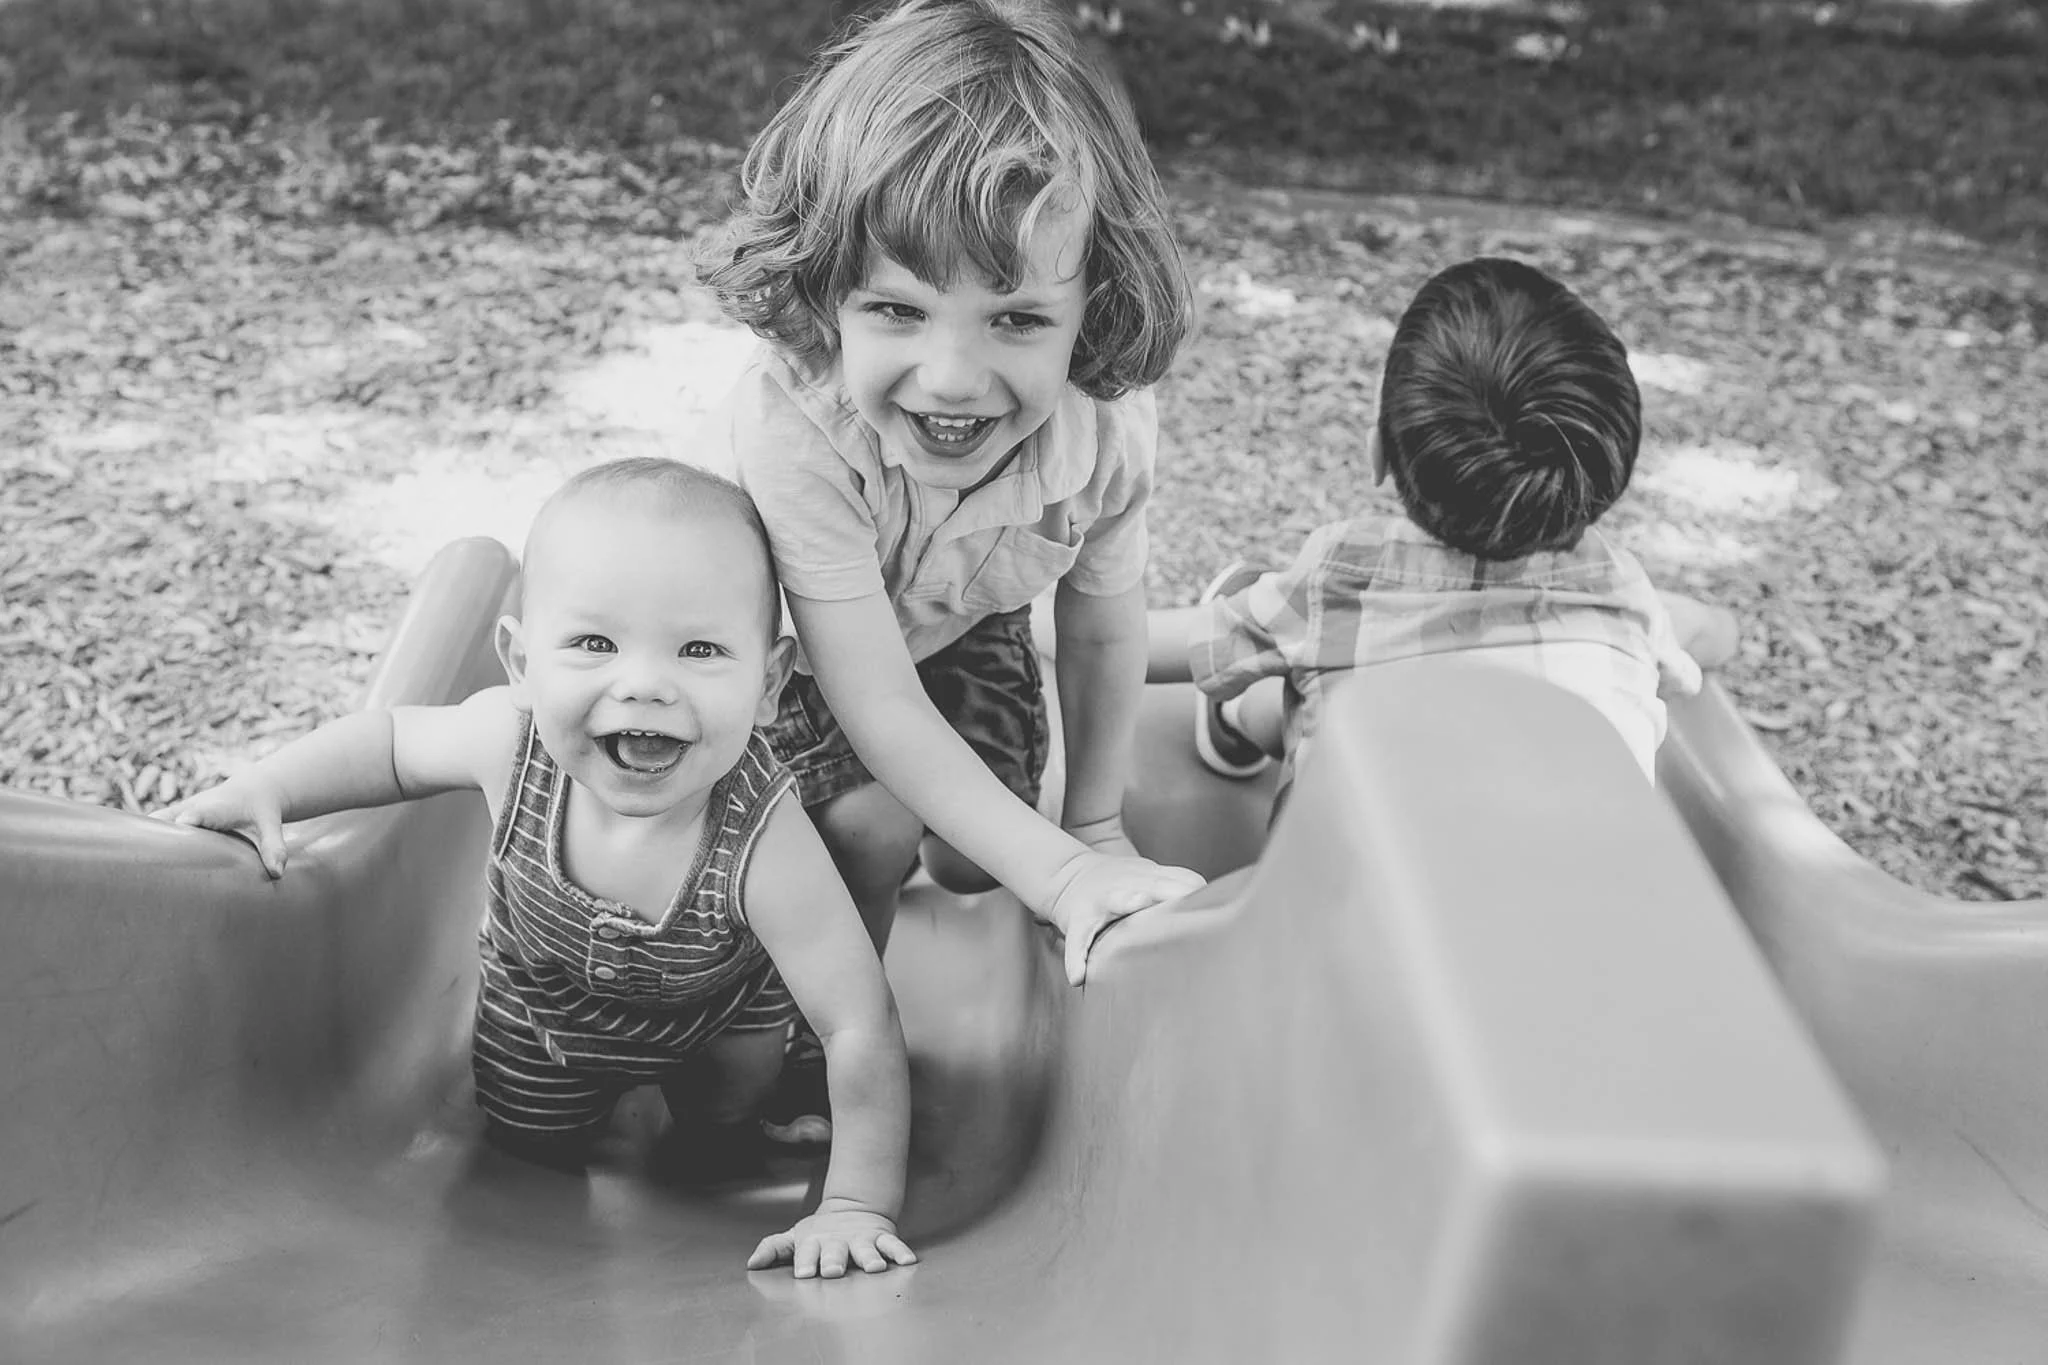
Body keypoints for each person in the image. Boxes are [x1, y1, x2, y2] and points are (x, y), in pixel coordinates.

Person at [158, 459, 917, 1281]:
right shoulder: (508, 742)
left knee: (725, 1117)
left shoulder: (764, 835)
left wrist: (853, 1204)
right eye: (595, 642)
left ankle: (716, 1133)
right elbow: (388, 744)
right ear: (519, 663)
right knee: (528, 1145)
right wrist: (271, 783)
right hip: (545, 1016)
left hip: (719, 1012)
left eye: (699, 649)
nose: (645, 684)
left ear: (769, 682)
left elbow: (857, 1018)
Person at [696, 0, 1205, 1099]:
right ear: (825, 289)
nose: (952, 379)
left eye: (1016, 319)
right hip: (792, 665)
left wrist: (1093, 825)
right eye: (897, 310)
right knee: (870, 832)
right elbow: (870, 697)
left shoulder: (1104, 426)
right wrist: (1062, 874)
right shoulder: (798, 429)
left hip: (959, 627)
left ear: (1092, 306)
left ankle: (955, 846)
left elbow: (1101, 617)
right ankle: (821, 1047)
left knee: (978, 863)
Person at [1150, 256, 1741, 807]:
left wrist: (1063, 612)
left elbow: (1141, 647)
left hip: (1345, 908)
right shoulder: (1624, 596)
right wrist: (1723, 630)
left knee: (1303, 690)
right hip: (1586, 910)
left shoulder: (1341, 579)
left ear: (1378, 451)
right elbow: (1706, 633)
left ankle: (1233, 719)